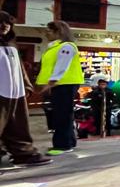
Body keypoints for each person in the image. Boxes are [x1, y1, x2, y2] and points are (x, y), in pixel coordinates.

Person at [0, 12, 50, 166]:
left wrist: (27, 85)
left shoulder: (11, 46)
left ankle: (23, 153)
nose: (4, 26)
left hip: (15, 93)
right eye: (1, 22)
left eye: (8, 23)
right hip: (3, 93)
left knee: (18, 126)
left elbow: (19, 68)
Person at [36, 20, 84, 155]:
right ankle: (69, 141)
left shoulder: (66, 46)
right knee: (63, 114)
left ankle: (62, 145)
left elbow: (61, 67)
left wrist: (50, 83)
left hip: (64, 84)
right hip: (60, 85)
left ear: (58, 32)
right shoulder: (55, 47)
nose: (46, 33)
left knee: (61, 115)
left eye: (49, 31)